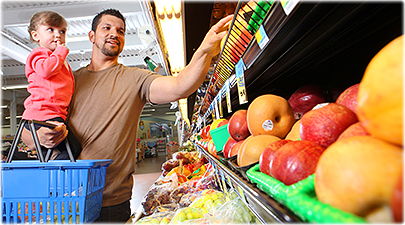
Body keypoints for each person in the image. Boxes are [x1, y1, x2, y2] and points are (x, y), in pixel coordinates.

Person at [21, 8, 233, 222]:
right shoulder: (68, 82)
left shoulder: (135, 79)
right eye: (107, 28)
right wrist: (40, 137)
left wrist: (204, 50)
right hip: (67, 199)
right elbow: (28, 133)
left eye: (120, 31)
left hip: (112, 202)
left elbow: (180, 86)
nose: (114, 33)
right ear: (92, 36)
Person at [22, 11, 81, 160]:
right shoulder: (39, 54)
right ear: (36, 35)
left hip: (54, 113)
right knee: (72, 149)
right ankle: (53, 169)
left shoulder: (59, 61)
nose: (58, 35)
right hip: (43, 114)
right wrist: (61, 52)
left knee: (67, 149)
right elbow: (45, 70)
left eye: (62, 31)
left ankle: (51, 158)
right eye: (50, 29)